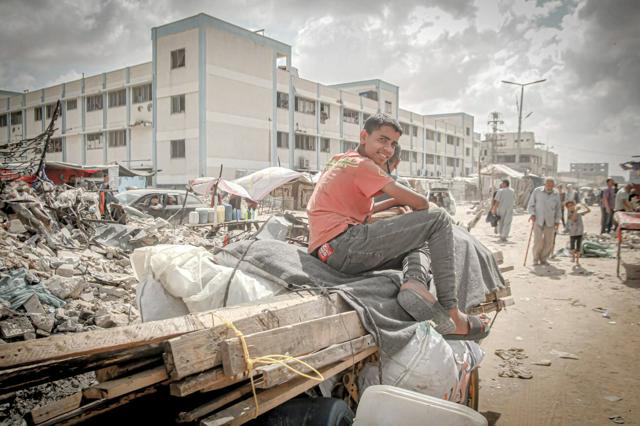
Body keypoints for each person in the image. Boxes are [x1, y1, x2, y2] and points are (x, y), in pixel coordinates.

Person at [307, 113, 489, 340]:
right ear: (364, 136)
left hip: (327, 251)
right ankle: (452, 312)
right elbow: (422, 204)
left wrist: (394, 203)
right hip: (345, 245)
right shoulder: (364, 165)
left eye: (393, 144)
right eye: (382, 140)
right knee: (439, 218)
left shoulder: (339, 159)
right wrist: (404, 204)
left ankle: (414, 284)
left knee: (416, 238)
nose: (388, 149)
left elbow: (359, 216)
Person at [527, 177, 562, 265]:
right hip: (538, 219)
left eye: (551, 184)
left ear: (554, 185)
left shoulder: (556, 193)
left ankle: (543, 258)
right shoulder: (537, 191)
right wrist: (532, 214)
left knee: (549, 242)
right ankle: (535, 259)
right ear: (544, 184)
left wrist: (557, 220)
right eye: (548, 184)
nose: (549, 186)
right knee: (538, 241)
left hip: (551, 220)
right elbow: (531, 204)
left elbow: (558, 208)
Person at [565, 201, 590, 267]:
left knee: (578, 247)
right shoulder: (569, 214)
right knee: (572, 247)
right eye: (569, 206)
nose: (571, 207)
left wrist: (584, 205)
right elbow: (574, 218)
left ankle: (577, 260)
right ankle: (573, 257)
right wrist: (576, 210)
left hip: (579, 231)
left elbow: (588, 211)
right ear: (567, 208)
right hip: (572, 232)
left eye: (572, 205)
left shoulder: (578, 212)